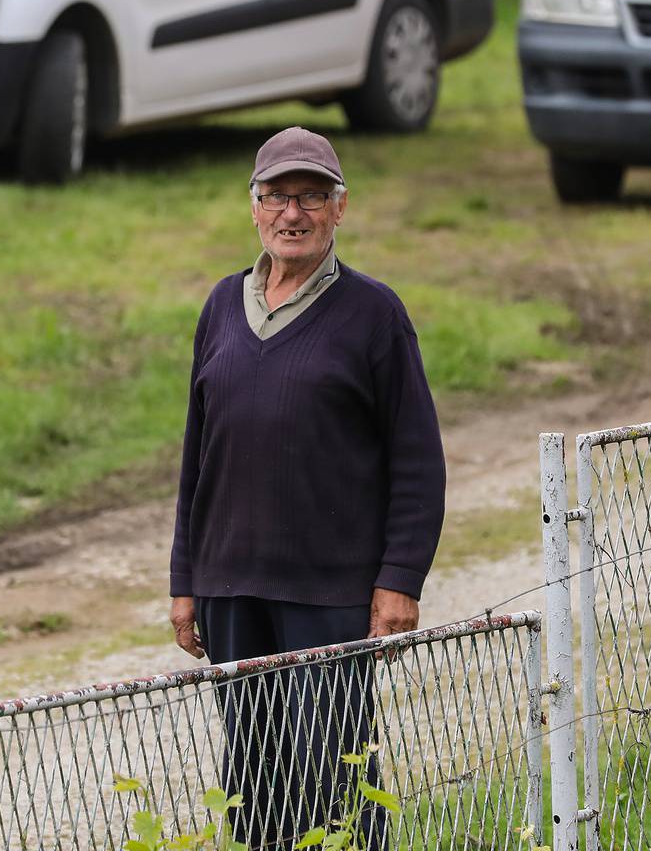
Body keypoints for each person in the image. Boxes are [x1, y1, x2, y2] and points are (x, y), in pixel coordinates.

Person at [168, 125, 446, 848]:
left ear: (340, 208)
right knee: (253, 775)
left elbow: (417, 458)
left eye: (312, 197)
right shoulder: (222, 306)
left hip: (331, 590)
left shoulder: (374, 314)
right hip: (232, 585)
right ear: (254, 207)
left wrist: (399, 579)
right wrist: (185, 579)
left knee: (336, 771)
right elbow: (200, 456)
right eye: (278, 196)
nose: (294, 213)